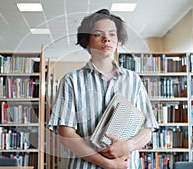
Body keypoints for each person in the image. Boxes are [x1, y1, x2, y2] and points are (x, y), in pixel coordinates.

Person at [48, 9, 158, 169]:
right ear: (87, 41)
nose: (107, 39)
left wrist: (127, 146)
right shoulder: (71, 81)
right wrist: (108, 164)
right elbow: (67, 135)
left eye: (112, 34)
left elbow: (147, 129)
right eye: (98, 34)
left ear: (118, 40)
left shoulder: (133, 80)